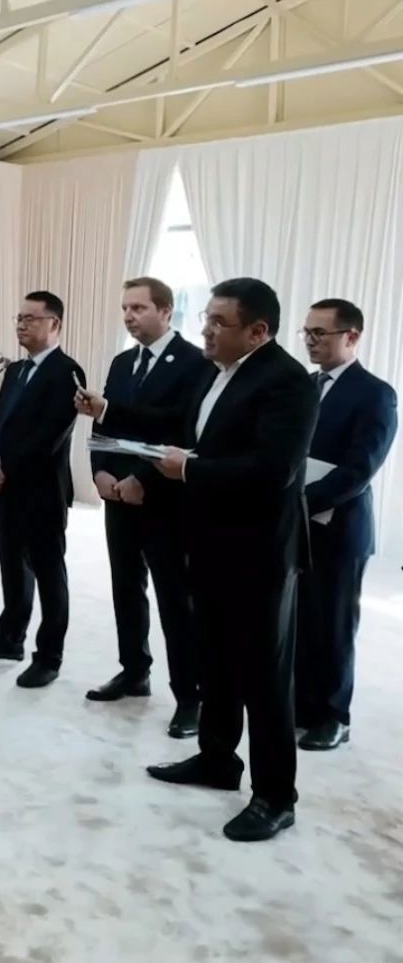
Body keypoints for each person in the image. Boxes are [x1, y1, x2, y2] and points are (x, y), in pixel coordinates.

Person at [77, 277, 318, 843]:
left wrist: (189, 468)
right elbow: (178, 429)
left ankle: (275, 796)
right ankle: (216, 759)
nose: (205, 330)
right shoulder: (216, 372)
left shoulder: (286, 381)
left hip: (258, 552)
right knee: (216, 661)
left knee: (262, 677)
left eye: (218, 322)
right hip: (207, 541)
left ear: (257, 331)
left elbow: (274, 470)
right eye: (205, 318)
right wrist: (114, 415)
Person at [87, 278, 209, 738]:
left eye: (138, 308)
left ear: (166, 310)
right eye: (125, 308)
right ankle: (134, 670)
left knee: (175, 600)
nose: (129, 316)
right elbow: (103, 424)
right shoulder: (122, 362)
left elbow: (184, 431)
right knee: (126, 588)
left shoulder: (195, 362)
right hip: (116, 495)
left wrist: (143, 479)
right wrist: (100, 471)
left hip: (165, 499)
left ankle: (190, 697)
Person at [0, 292, 85, 688]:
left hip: (42, 491)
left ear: (55, 324)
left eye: (31, 318)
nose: (21, 324)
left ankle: (49, 656)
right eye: (19, 317)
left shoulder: (67, 372)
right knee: (13, 567)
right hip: (7, 488)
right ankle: (9, 639)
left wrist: (8, 470)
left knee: (49, 573)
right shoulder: (15, 370)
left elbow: (50, 435)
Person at [295, 299, 397, 751]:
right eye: (307, 332)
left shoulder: (375, 393)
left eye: (320, 333)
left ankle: (334, 716)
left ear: (351, 336)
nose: (310, 341)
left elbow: (360, 469)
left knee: (334, 624)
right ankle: (301, 704)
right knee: (300, 618)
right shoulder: (304, 385)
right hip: (296, 521)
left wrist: (301, 501)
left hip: (340, 528)